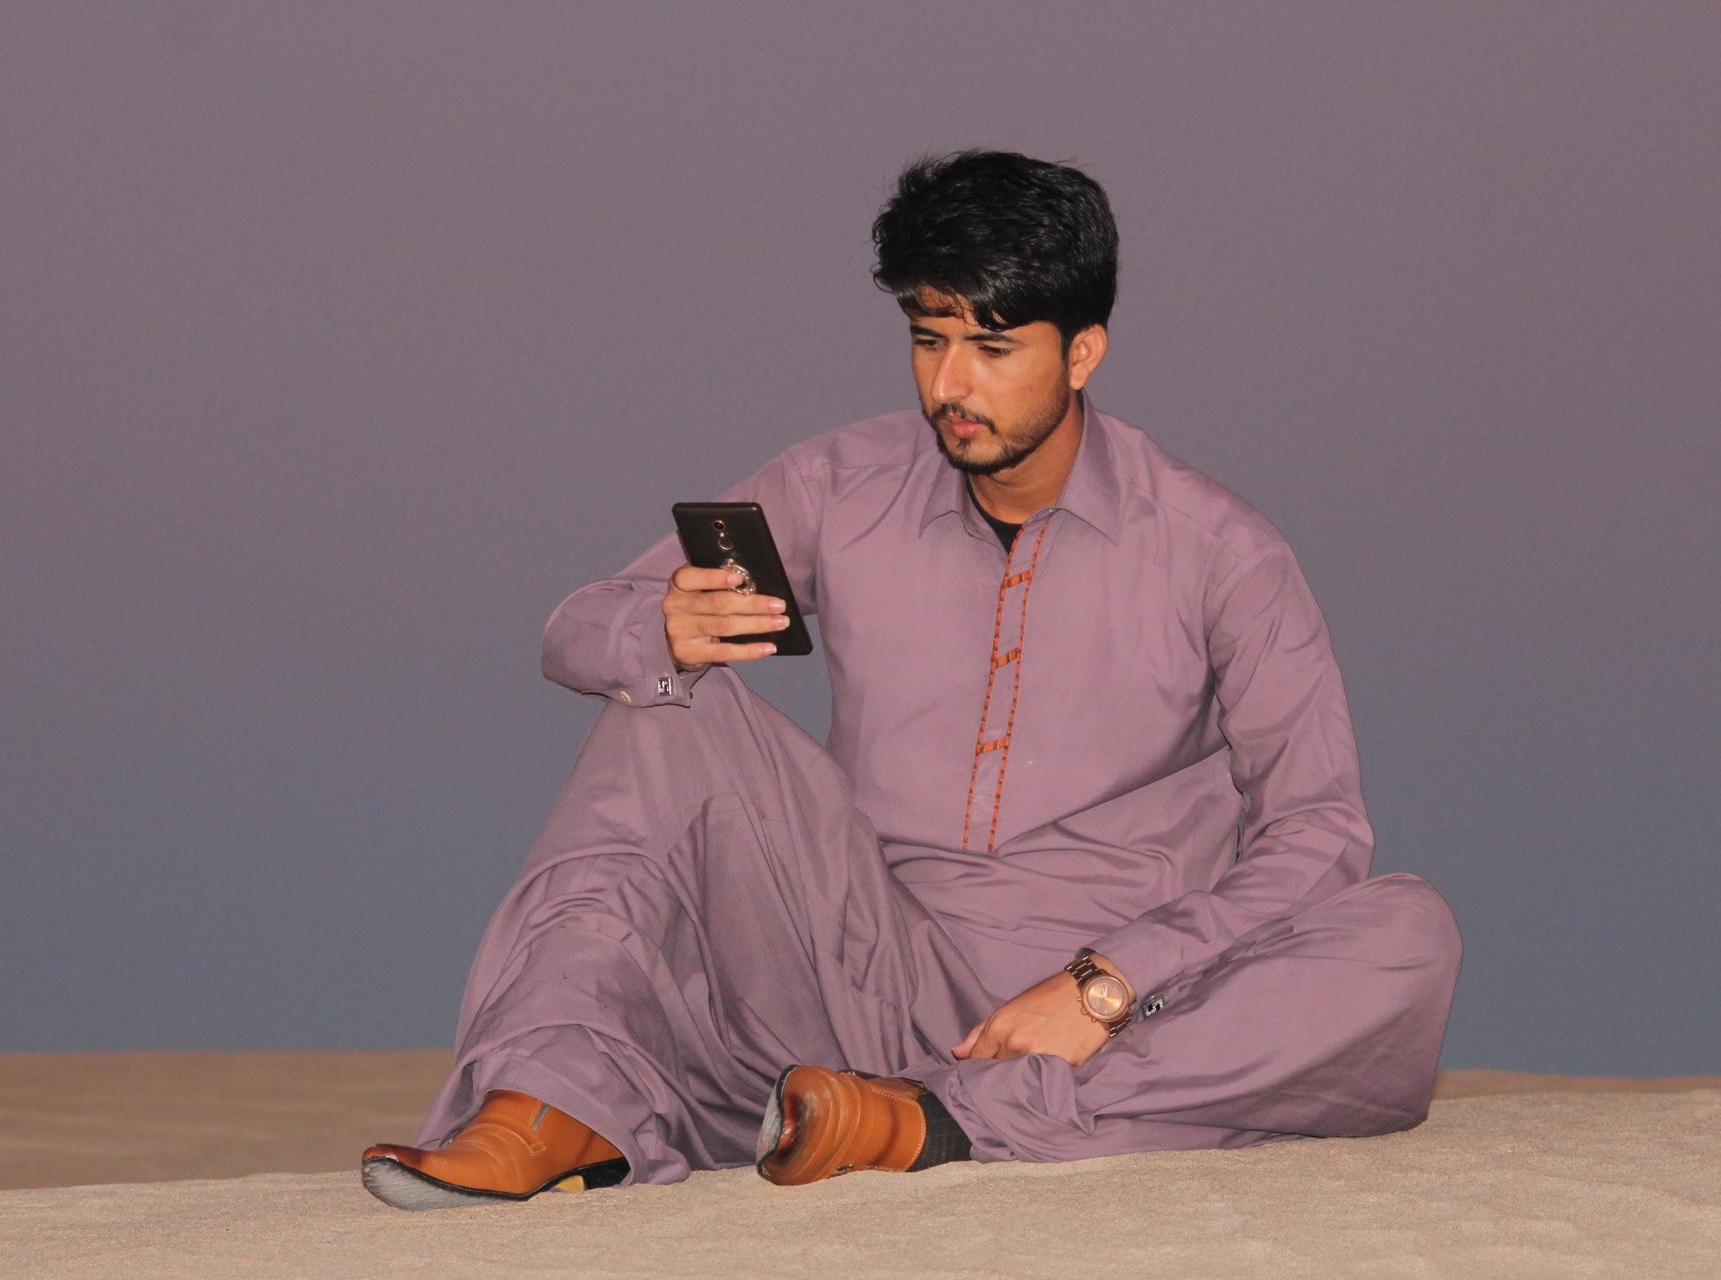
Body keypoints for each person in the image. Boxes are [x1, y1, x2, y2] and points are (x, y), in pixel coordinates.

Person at [360, 149, 1461, 1211]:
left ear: (1083, 352)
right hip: (862, 971)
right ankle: (548, 1105)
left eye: (992, 347)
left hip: (1117, 1012)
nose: (950, 384)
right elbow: (575, 629)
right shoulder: (843, 484)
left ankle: (936, 1119)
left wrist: (1107, 982)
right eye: (929, 340)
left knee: (1407, 934)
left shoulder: (1222, 550)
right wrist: (661, 627)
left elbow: (1317, 832)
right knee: (663, 711)